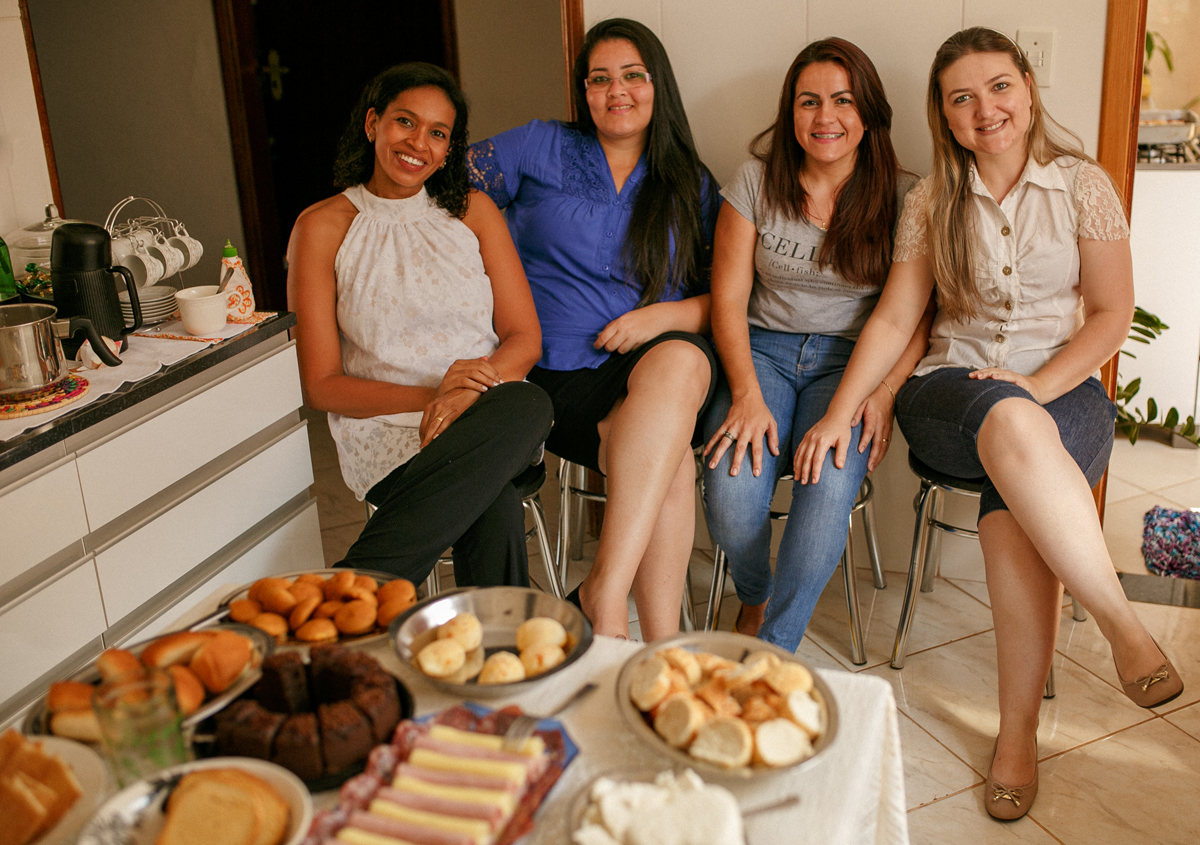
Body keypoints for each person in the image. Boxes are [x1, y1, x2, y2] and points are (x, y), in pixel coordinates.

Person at [795, 28, 1183, 820]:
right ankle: (1122, 624)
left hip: (1063, 389)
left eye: (999, 86)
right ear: (944, 114)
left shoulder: (1081, 185)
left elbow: (1110, 316)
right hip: (951, 390)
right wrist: (841, 410)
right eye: (962, 97)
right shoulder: (930, 201)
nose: (986, 109)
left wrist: (1038, 383)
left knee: (1014, 501)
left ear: (1029, 88)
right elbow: (897, 315)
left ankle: (1016, 735)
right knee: (1007, 421)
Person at [468, 19, 720, 640]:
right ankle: (657, 643)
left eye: (633, 76)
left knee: (683, 363)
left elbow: (733, 297)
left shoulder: (690, 183)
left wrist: (661, 317)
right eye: (599, 79)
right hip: (553, 374)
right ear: (583, 91)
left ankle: (605, 599)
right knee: (668, 461)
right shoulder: (540, 145)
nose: (617, 91)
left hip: (655, 366)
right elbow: (443, 193)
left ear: (658, 85)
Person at [701, 38, 932, 650]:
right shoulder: (754, 182)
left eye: (843, 100)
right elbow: (727, 299)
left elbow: (916, 317)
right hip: (763, 354)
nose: (825, 117)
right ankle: (755, 595)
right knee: (730, 494)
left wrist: (884, 392)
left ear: (869, 113)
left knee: (826, 491)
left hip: (853, 366)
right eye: (809, 101)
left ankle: (775, 650)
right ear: (791, 111)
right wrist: (745, 393)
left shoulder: (907, 196)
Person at [287, 62, 552, 588]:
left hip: (492, 413)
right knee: (492, 500)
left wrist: (468, 396)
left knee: (528, 402)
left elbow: (525, 338)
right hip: (386, 431)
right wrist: (437, 397)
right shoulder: (320, 227)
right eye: (405, 122)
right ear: (373, 124)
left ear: (449, 149)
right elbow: (321, 385)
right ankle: (498, 639)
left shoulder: (474, 212)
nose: (418, 143)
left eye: (437, 133)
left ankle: (353, 588)